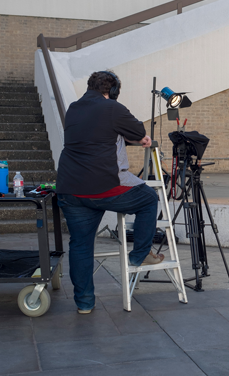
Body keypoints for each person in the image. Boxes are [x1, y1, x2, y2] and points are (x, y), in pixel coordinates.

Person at [56, 71, 163, 314]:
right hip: (103, 186)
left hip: (70, 187)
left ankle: (84, 303)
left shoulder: (73, 108)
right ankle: (139, 255)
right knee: (148, 198)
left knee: (80, 245)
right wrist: (134, 136)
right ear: (113, 91)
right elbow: (138, 131)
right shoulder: (112, 108)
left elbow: (95, 137)